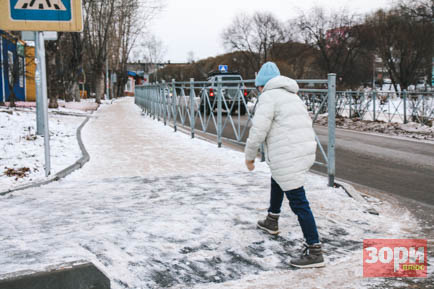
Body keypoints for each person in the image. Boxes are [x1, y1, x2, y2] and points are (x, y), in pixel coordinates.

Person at [244, 62, 324, 268]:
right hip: (302, 150)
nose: (258, 90)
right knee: (277, 178)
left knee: (298, 201)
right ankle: (272, 219)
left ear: (262, 85)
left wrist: (249, 156)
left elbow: (258, 131)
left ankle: (314, 250)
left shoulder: (268, 97)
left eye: (258, 86)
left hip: (288, 154)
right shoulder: (292, 95)